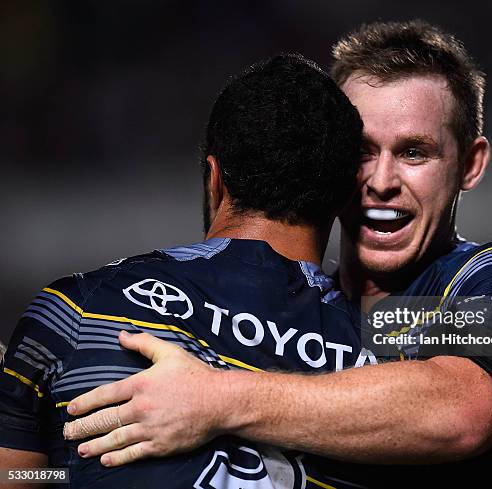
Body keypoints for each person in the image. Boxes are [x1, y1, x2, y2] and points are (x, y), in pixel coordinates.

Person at [59, 20, 492, 489]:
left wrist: (215, 400)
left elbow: (461, 411)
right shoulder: (284, 305)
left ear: (470, 164)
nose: (383, 181)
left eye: (415, 152)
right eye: (362, 152)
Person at [0, 53, 372, 488]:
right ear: (347, 198)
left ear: (214, 177)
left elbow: (18, 475)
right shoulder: (391, 354)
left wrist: (63, 471)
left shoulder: (76, 308)